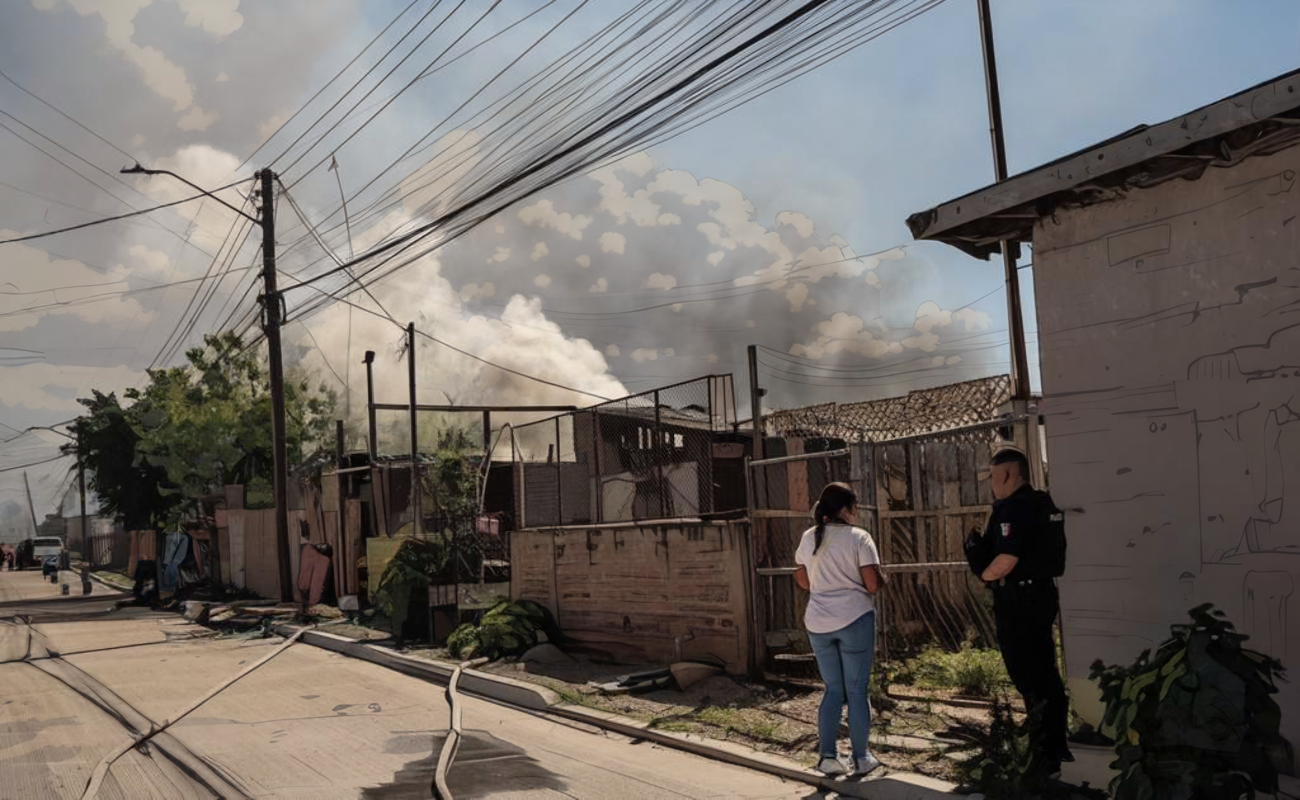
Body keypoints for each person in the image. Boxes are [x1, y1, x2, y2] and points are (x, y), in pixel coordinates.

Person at [965, 448, 1072, 774]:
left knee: (1027, 672)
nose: (992, 484)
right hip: (1039, 595)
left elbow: (1004, 562)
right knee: (1044, 670)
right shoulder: (1043, 503)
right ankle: (1051, 743)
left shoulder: (1013, 508)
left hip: (1019, 599)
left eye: (994, 477)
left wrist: (982, 570)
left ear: (1009, 475)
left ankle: (1044, 751)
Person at [793, 481, 883, 777]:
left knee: (833, 690)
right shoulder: (860, 538)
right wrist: (883, 579)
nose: (856, 514)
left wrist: (824, 588)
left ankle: (828, 758)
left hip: (818, 622)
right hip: (854, 619)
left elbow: (802, 578)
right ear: (845, 510)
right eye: (855, 508)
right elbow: (872, 584)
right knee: (857, 692)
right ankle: (861, 758)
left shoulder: (809, 537)